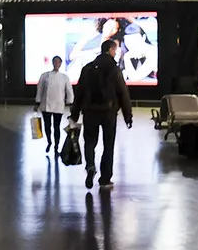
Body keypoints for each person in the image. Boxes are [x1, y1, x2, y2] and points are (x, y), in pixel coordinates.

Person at [70, 39, 133, 189]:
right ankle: (105, 178)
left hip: (90, 112)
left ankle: (90, 166)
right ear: (111, 50)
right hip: (108, 113)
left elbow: (79, 92)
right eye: (115, 50)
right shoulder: (114, 69)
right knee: (108, 145)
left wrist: (74, 113)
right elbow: (123, 93)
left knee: (90, 142)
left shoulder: (88, 68)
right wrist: (127, 115)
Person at [35, 55, 74, 154]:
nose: (56, 64)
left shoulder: (64, 77)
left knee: (57, 127)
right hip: (46, 105)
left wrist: (70, 104)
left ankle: (56, 146)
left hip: (58, 105)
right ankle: (49, 142)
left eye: (58, 62)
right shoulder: (45, 76)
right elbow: (40, 90)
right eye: (55, 62)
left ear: (60, 64)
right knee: (47, 126)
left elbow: (69, 91)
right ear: (52, 63)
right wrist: (37, 102)